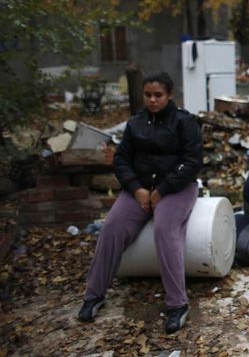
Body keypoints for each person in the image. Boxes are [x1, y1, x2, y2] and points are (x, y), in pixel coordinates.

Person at [77, 71, 203, 334]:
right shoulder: (135, 124)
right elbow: (121, 160)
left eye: (158, 95)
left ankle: (177, 304)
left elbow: (192, 162)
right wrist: (136, 189)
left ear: (169, 96)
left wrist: (162, 190)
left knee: (164, 229)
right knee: (111, 226)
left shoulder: (185, 122)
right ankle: (94, 294)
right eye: (148, 95)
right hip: (140, 190)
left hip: (177, 188)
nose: (153, 100)